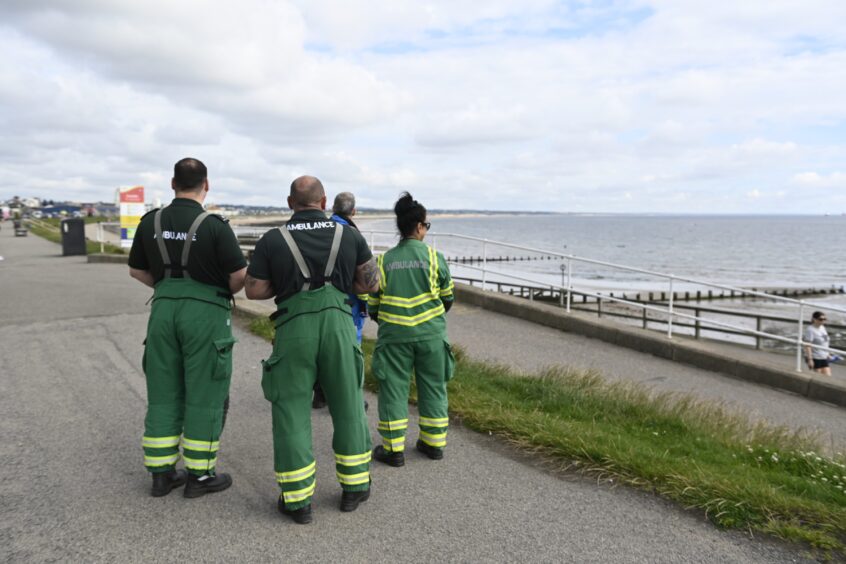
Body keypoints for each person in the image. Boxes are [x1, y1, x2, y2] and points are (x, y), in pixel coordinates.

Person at [245, 175, 379, 525]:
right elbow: (370, 283)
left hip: (294, 327)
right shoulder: (349, 235)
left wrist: (287, 281)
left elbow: (254, 291)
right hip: (339, 326)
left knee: (290, 410)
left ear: (290, 203)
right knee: (348, 405)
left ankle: (297, 500)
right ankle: (354, 487)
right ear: (323, 203)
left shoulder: (274, 239)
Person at [128, 158, 247, 498]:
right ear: (206, 184)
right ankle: (200, 475)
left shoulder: (151, 221)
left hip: (163, 311)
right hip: (206, 315)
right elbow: (238, 277)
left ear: (172, 183)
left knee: (163, 391)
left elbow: (136, 270)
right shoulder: (215, 226)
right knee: (205, 393)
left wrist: (168, 288)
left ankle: (161, 474)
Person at [368, 192, 455, 468]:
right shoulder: (434, 258)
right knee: (433, 386)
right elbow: (448, 298)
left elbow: (373, 306)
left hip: (394, 336)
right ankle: (433, 444)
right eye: (426, 225)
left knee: (393, 388)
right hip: (430, 336)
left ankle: (393, 450)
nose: (425, 230)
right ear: (418, 226)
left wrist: (392, 322)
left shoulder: (383, 261)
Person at [312, 191, 369, 410]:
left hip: (319, 297)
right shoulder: (352, 234)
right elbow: (364, 276)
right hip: (347, 301)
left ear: (332, 208)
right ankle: (351, 399)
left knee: (322, 346)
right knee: (349, 350)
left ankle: (320, 395)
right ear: (353, 211)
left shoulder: (322, 230)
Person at [804, 311, 832, 376]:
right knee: (818, 377)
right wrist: (810, 359)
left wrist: (828, 354)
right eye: (820, 319)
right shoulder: (810, 330)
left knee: (828, 376)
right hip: (816, 357)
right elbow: (808, 345)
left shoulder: (822, 328)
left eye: (824, 319)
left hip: (824, 356)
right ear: (814, 319)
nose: (823, 321)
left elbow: (825, 342)